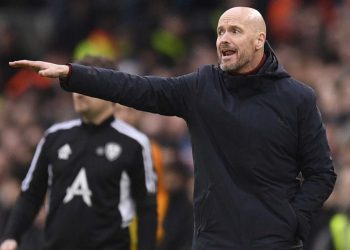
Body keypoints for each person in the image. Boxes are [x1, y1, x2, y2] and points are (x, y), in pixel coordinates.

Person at [8, 6, 337, 250]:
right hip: (214, 240)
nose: (224, 38)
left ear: (260, 39)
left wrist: (292, 219)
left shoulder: (297, 98)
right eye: (220, 31)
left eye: (234, 31)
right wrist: (72, 73)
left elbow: (322, 173)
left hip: (274, 242)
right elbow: (139, 89)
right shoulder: (202, 87)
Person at [1, 56, 158, 250]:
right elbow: (31, 194)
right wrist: (11, 236)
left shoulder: (134, 143)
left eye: (86, 84)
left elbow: (147, 208)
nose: (78, 93)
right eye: (75, 85)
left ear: (110, 88)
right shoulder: (54, 137)